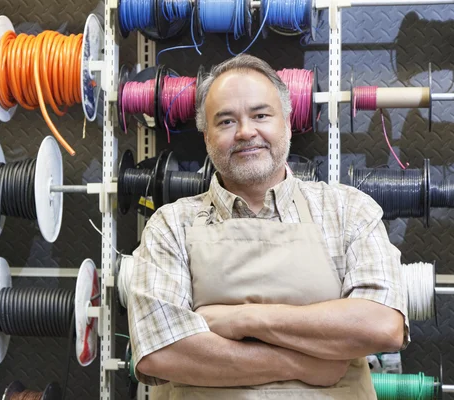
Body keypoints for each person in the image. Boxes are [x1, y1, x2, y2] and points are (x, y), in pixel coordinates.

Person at [127, 54, 409, 399]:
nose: (246, 132)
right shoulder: (170, 226)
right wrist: (301, 366)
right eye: (226, 121)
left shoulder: (348, 210)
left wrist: (244, 319)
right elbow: (161, 351)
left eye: (261, 115)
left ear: (287, 124)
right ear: (206, 138)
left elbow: (382, 326)